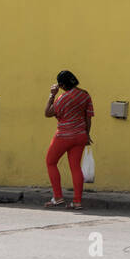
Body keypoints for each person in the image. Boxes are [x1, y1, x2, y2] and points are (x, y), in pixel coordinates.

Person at [44, 70, 93, 210]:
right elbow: (88, 117)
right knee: (75, 167)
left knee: (50, 162)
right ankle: (77, 201)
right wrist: (87, 134)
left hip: (64, 136)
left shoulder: (62, 98)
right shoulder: (85, 95)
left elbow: (47, 113)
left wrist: (52, 95)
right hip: (80, 135)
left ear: (61, 85)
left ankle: (58, 197)